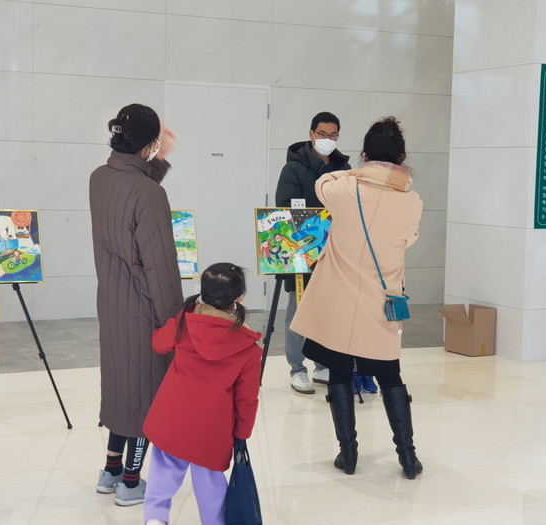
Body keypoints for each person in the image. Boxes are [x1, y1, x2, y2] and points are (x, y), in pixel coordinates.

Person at [291, 117, 424, 479]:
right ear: (401, 158)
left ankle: (348, 455)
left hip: (340, 301)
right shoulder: (412, 201)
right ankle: (407, 457)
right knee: (391, 375)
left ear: (365, 156)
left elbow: (322, 182)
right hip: (382, 303)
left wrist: (358, 172)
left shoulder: (344, 189)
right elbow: (409, 240)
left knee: (339, 371)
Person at [89, 104, 183, 506]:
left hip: (111, 303)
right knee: (147, 395)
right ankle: (131, 482)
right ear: (149, 143)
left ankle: (110, 471)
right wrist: (175, 321)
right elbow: (160, 267)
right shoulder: (150, 194)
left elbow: (131, 188)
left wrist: (158, 158)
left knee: (120, 389)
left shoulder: (99, 177)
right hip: (144, 310)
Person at [142, 263, 262, 525]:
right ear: (239, 298)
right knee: (211, 486)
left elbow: (159, 344)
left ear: (202, 292)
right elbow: (247, 399)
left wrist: (177, 319)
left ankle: (155, 519)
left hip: (171, 419)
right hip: (211, 429)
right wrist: (241, 434)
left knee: (162, 476)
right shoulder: (249, 348)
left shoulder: (183, 324)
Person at [275, 111, 353, 394]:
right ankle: (297, 368)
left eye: (333, 135)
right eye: (322, 134)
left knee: (329, 312)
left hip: (336, 253)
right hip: (302, 251)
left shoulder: (344, 168)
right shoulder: (293, 168)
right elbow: (285, 209)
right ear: (311, 134)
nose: (327, 140)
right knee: (299, 312)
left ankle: (322, 364)